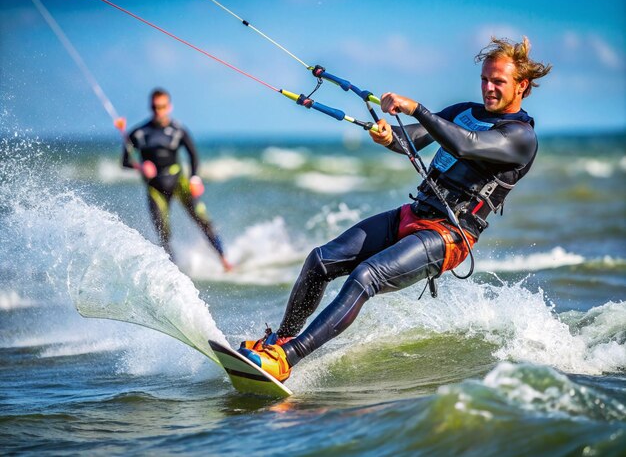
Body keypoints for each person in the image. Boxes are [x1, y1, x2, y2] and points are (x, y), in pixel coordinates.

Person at [238, 36, 551, 382]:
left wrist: (416, 107)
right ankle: (277, 340)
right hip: (413, 213)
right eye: (484, 79)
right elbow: (412, 140)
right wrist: (389, 137)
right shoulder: (465, 112)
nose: (488, 88)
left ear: (521, 86)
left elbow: (465, 145)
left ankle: (286, 358)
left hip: (448, 236)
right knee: (320, 260)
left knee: (365, 277)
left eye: (498, 82)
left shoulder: (521, 136)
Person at [122, 88, 232, 271]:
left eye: (163, 106)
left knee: (203, 220)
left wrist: (194, 178)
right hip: (155, 188)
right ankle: (173, 270)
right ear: (151, 107)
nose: (159, 111)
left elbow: (193, 156)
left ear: (169, 106)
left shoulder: (178, 130)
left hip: (179, 181)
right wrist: (140, 167)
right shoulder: (139, 133)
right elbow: (124, 161)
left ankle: (225, 260)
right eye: (156, 107)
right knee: (163, 232)